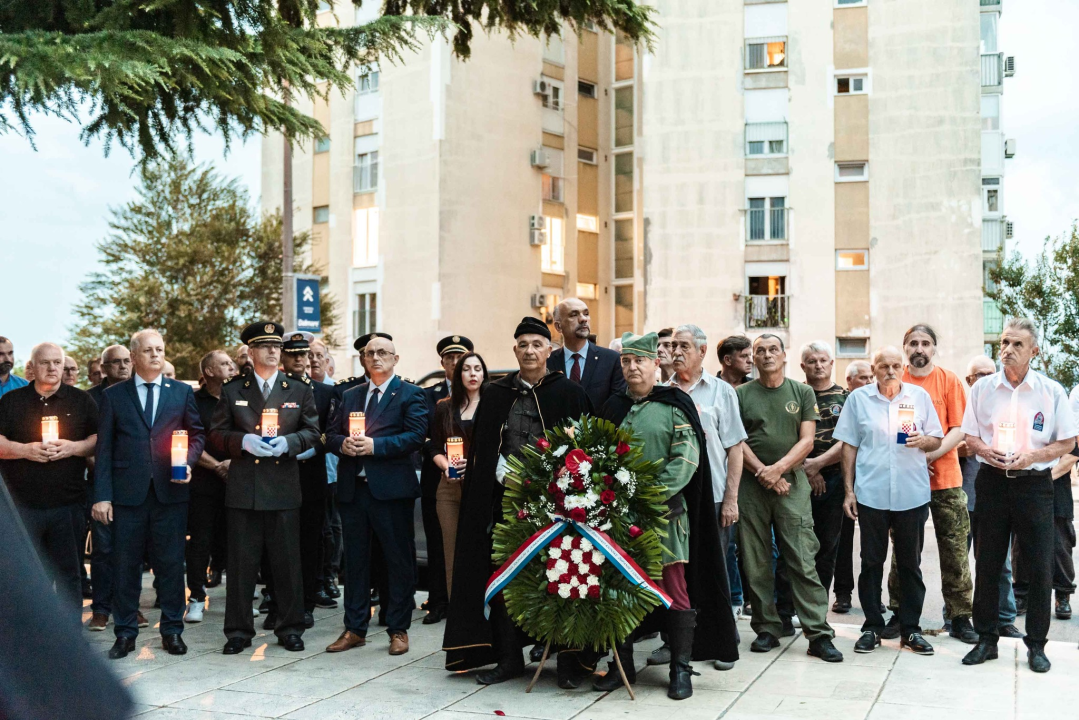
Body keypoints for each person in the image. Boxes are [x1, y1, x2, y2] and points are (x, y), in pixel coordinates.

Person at [443, 317, 592, 686]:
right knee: (505, 578)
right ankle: (508, 657)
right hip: (505, 503)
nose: (529, 351)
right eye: (522, 344)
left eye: (536, 345)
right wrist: (498, 471)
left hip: (557, 506)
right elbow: (483, 448)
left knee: (562, 575)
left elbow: (586, 451)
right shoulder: (495, 394)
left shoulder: (569, 393)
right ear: (515, 350)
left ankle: (569, 661)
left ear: (549, 351)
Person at [596, 332, 739, 699]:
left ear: (655, 363)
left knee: (675, 589)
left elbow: (686, 460)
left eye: (639, 361)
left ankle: (680, 669)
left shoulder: (675, 404)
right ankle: (622, 665)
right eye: (626, 361)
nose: (631, 367)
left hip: (665, 518)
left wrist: (646, 496)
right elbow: (598, 460)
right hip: (618, 520)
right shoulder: (612, 408)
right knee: (620, 589)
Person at [961, 318, 1077, 673]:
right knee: (988, 563)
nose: (1007, 350)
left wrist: (1032, 456)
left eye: (1017, 345)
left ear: (1034, 352)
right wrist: (985, 449)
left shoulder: (1050, 391)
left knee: (1040, 566)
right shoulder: (983, 390)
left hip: (1034, 485)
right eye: (1004, 343)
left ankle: (1037, 646)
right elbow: (969, 436)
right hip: (993, 481)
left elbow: (1067, 442)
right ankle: (986, 639)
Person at [91, 329, 205, 659]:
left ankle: (172, 630)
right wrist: (102, 495)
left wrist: (190, 462)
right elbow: (105, 449)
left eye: (160, 349)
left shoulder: (181, 392)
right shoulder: (114, 396)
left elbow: (197, 435)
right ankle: (125, 633)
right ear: (135, 355)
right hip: (127, 496)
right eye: (149, 350)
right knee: (125, 566)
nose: (156, 355)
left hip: (171, 493)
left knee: (171, 566)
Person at [210, 321, 321, 655]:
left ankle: (290, 627)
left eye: (277, 346)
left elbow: (313, 432)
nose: (274, 351)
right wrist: (243, 441)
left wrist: (288, 443)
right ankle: (238, 631)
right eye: (265, 346)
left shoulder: (299, 388)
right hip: (245, 488)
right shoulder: (233, 390)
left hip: (283, 487)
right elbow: (216, 434)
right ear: (251, 352)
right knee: (242, 565)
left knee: (287, 563)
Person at [735, 334, 843, 662]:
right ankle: (768, 627)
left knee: (801, 557)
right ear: (753, 358)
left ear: (784, 356)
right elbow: (737, 439)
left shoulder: (802, 391)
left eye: (773, 350)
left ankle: (818, 633)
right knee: (756, 561)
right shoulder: (741, 394)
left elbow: (808, 441)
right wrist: (763, 474)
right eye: (760, 351)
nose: (766, 355)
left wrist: (779, 470)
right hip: (751, 487)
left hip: (792, 483)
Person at [835, 346, 943, 656]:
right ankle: (871, 626)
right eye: (884, 366)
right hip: (872, 493)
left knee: (910, 564)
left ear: (903, 366)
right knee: (871, 562)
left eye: (896, 365)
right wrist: (849, 491)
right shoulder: (859, 400)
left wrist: (925, 441)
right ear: (874, 368)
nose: (891, 371)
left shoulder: (918, 398)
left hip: (911, 493)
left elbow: (936, 437)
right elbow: (849, 447)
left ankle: (910, 629)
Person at [324, 335, 427, 656]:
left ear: (396, 359)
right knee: (354, 562)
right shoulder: (350, 395)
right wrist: (341, 444)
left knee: (397, 560)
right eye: (370, 353)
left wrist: (376, 446)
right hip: (354, 490)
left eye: (383, 352)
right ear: (363, 360)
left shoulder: (410, 393)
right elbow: (329, 433)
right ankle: (355, 628)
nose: (376, 357)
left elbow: (415, 436)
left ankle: (398, 629)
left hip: (392, 491)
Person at [876, 325, 977, 643]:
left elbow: (959, 429)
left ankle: (960, 618)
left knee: (955, 551)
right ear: (905, 347)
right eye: (913, 343)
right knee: (903, 552)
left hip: (946, 479)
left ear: (934, 348)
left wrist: (930, 456)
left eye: (926, 343)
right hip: (905, 482)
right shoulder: (896, 379)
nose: (919, 348)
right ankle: (899, 613)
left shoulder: (948, 380)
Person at [664, 324, 746, 669]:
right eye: (672, 345)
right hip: (673, 499)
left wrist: (730, 499)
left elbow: (735, 449)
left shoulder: (721, 392)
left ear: (701, 351)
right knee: (675, 569)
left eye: (684, 345)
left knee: (716, 569)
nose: (676, 351)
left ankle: (721, 639)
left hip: (711, 496)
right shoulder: (661, 391)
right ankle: (676, 641)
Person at [0, 342, 98, 609]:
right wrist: (24, 450)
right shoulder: (11, 401)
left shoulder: (81, 400)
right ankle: (29, 642)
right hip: (21, 507)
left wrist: (73, 448)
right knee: (25, 577)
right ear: (32, 367)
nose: (53, 368)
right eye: (45, 362)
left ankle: (71, 641)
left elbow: (99, 439)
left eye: (58, 362)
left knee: (69, 575)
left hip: (68, 505)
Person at [275, 332, 337, 628]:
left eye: (305, 353)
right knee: (277, 543)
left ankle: (306, 602)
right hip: (277, 472)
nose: (301, 359)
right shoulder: (272, 389)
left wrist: (302, 451)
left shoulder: (324, 392)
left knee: (309, 542)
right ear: (283, 357)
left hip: (310, 472)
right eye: (294, 354)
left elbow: (330, 432)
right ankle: (278, 603)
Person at [959, 356, 1022, 638]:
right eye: (978, 374)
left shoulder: (1003, 405)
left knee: (1000, 564)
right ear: (969, 380)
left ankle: (1005, 618)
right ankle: (958, 617)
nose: (985, 377)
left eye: (990, 372)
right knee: (960, 562)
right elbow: (954, 446)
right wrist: (976, 445)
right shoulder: (963, 405)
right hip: (962, 497)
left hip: (997, 496)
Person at [419, 335, 474, 625]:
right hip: (438, 480)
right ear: (442, 362)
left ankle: (465, 601)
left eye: (460, 358)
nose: (454, 362)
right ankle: (438, 601)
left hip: (473, 479)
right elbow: (426, 439)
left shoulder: (481, 395)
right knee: (438, 544)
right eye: (449, 358)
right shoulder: (429, 396)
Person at [430, 352, 488, 602]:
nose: (472, 374)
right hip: (449, 487)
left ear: (484, 374)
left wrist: (475, 464)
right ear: (458, 374)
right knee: (452, 552)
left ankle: (482, 608)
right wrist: (445, 466)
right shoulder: (444, 406)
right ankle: (457, 610)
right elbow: (432, 446)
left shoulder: (491, 406)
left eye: (477, 369)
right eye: (467, 369)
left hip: (481, 487)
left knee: (480, 550)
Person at [86, 344, 135, 631]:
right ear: (103, 368)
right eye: (115, 362)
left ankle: (127, 608)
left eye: (127, 361)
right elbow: (89, 441)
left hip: (134, 484)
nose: (123, 366)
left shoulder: (140, 393)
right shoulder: (90, 398)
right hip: (102, 482)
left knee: (130, 549)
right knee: (103, 549)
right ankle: (101, 609)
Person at [184, 350, 236, 623]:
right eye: (225, 364)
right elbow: (192, 440)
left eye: (232, 363)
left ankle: (237, 600)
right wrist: (217, 465)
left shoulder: (241, 398)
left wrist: (233, 465)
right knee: (200, 542)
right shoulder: (192, 400)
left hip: (236, 482)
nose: (232, 367)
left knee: (236, 543)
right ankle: (195, 598)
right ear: (210, 372)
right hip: (203, 483)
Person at [799, 342, 847, 599]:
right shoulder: (794, 395)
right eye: (812, 360)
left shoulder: (846, 397)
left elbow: (849, 440)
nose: (818, 365)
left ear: (831, 363)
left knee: (827, 544)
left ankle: (819, 602)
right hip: (797, 476)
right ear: (802, 366)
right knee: (797, 544)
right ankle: (793, 604)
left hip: (835, 480)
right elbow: (788, 436)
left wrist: (819, 465)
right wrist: (809, 469)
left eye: (823, 360)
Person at [832, 360, 873, 614]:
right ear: (850, 381)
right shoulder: (845, 401)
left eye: (871, 378)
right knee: (841, 540)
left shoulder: (875, 402)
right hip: (840, 480)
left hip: (869, 480)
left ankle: (872, 596)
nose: (869, 382)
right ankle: (842, 593)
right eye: (864, 378)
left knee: (871, 545)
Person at [548, 298, 626, 409]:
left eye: (586, 314)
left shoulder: (612, 360)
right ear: (558, 326)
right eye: (574, 315)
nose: (583, 319)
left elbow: (617, 406)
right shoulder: (547, 362)